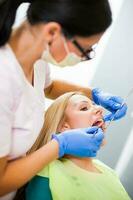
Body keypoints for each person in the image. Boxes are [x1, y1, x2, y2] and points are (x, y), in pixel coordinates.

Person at [0, 0, 127, 199]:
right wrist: (59, 146)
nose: (98, 111)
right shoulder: (3, 81)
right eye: (85, 49)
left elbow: (48, 86)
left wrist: (93, 94)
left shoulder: (37, 60)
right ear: (52, 32)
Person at [25, 92, 131, 200]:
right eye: (84, 108)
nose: (100, 108)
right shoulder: (47, 171)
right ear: (64, 127)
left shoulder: (109, 172)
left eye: (94, 104)